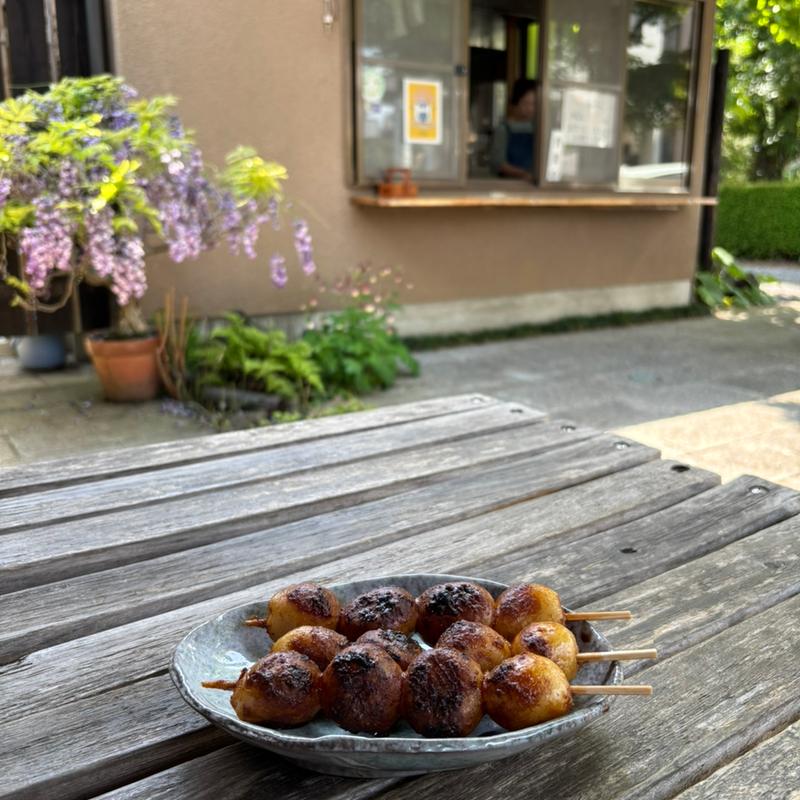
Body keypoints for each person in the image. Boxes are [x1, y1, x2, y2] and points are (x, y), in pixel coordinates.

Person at [489, 79, 537, 180]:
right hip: (510, 186)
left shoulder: (538, 128)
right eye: (526, 103)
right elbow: (497, 163)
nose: (530, 108)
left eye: (534, 104)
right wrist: (523, 174)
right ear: (516, 102)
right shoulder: (504, 129)